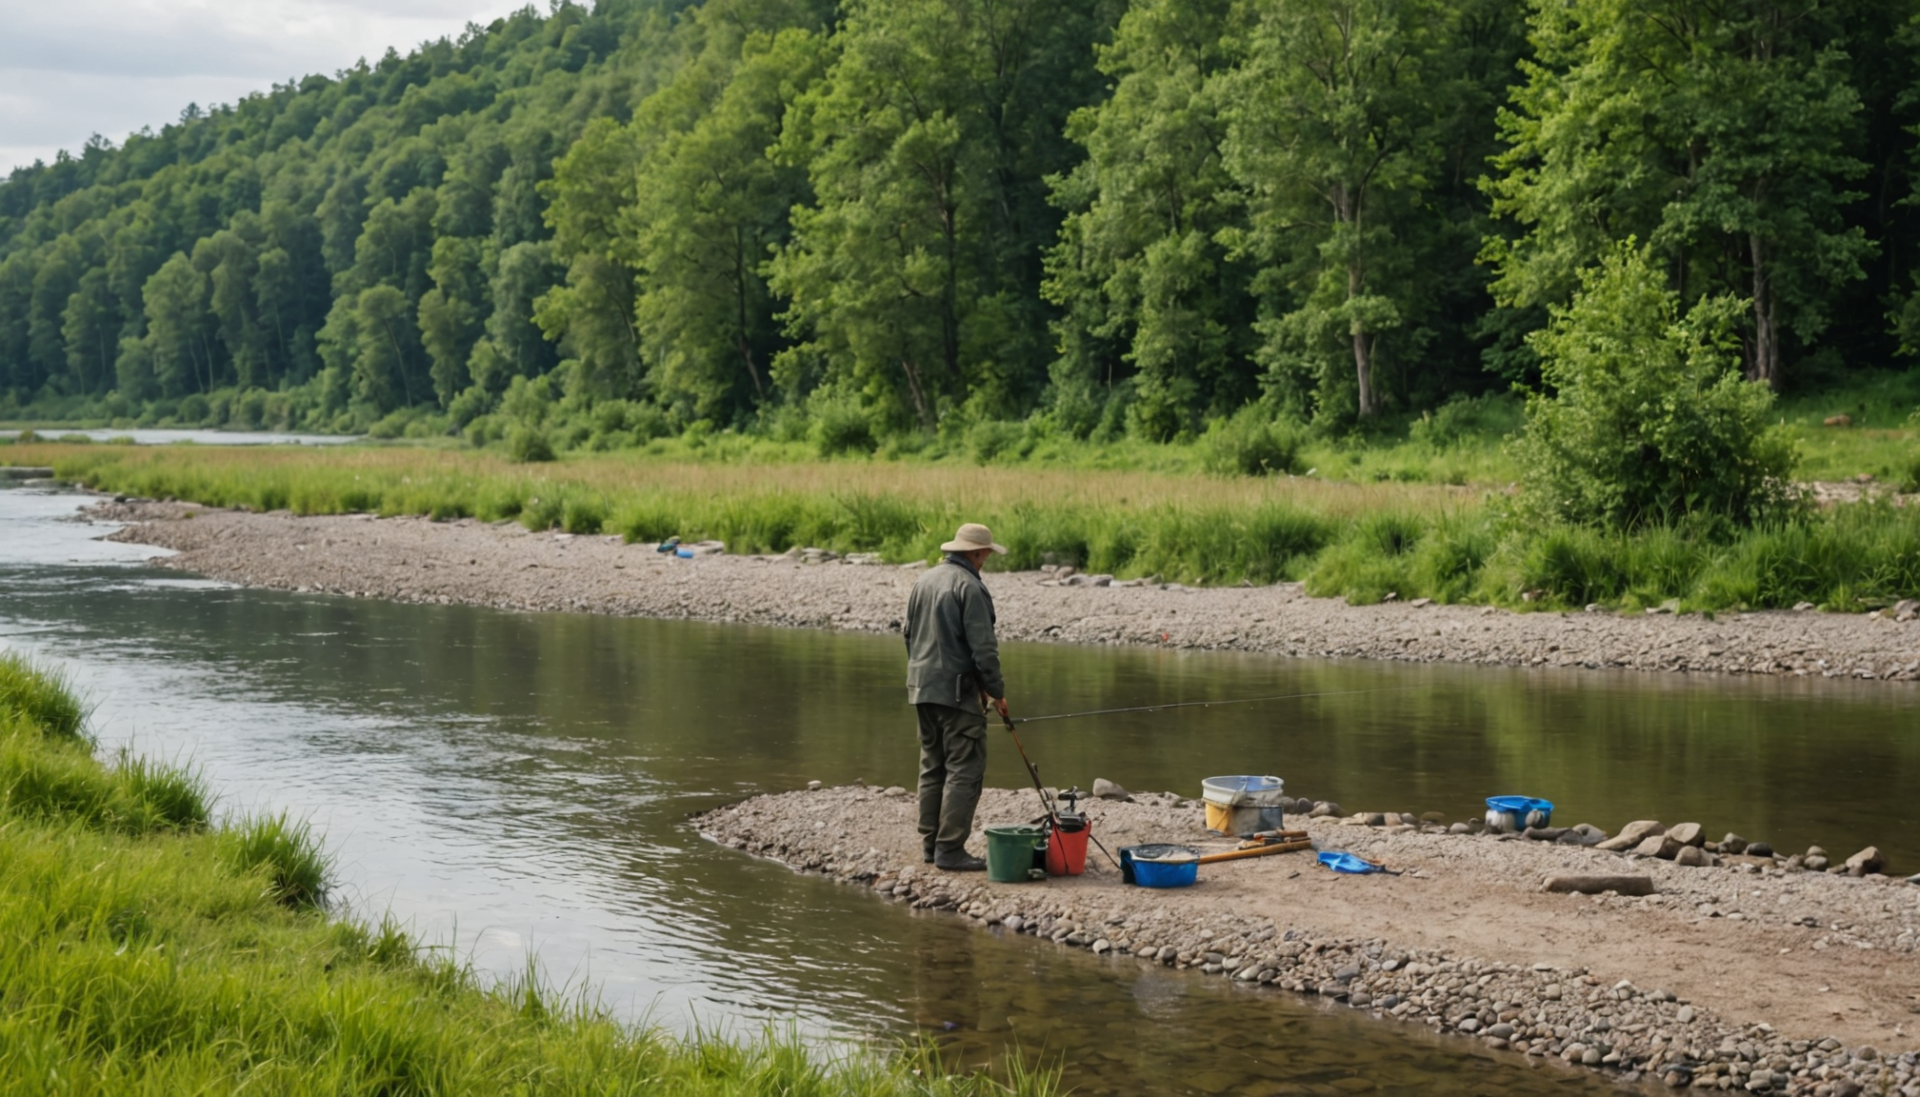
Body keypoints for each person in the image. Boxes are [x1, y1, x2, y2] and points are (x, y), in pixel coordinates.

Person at [903, 522, 1010, 872]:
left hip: (920, 689)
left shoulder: (924, 580)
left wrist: (922, 677)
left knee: (932, 766)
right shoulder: (970, 587)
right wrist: (996, 692)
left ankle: (931, 846)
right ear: (976, 553)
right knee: (965, 768)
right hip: (957, 694)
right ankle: (950, 850)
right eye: (986, 555)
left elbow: (908, 636)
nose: (986, 561)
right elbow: (984, 651)